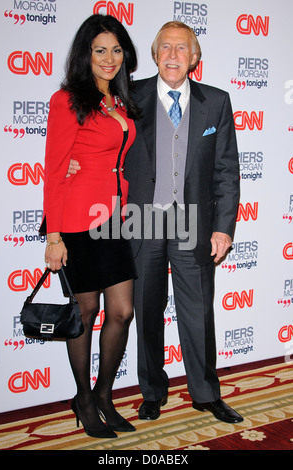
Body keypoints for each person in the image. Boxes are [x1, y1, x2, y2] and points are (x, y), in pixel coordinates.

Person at [68, 21, 243, 424]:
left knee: (197, 311)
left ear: (194, 58)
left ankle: (205, 392)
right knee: (145, 309)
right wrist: (78, 164)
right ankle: (152, 391)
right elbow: (102, 140)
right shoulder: (130, 96)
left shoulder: (216, 102)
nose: (172, 54)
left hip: (193, 223)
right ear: (153, 54)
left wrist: (223, 227)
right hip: (141, 221)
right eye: (165, 46)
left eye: (182, 48)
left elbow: (227, 171)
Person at [41, 14, 141, 438]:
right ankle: (82, 398)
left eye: (116, 50)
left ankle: (103, 395)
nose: (109, 58)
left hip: (114, 220)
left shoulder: (121, 101)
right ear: (85, 53)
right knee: (85, 313)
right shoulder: (67, 100)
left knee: (122, 311)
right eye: (100, 50)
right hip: (78, 221)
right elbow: (54, 169)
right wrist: (54, 235)